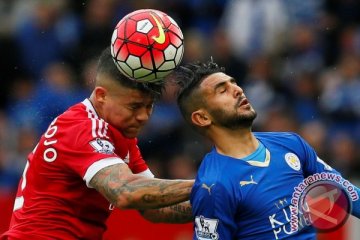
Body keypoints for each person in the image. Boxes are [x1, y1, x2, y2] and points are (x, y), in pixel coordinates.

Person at [1, 47, 193, 240]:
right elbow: (125, 192)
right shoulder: (81, 128)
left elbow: (154, 208)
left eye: (149, 106)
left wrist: (217, 203)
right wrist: (205, 184)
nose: (143, 116)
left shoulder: (119, 134)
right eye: (134, 107)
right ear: (101, 95)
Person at [173, 59, 360, 239]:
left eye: (234, 84)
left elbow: (345, 192)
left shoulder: (291, 144)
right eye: (223, 91)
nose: (238, 90)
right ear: (202, 118)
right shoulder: (214, 185)